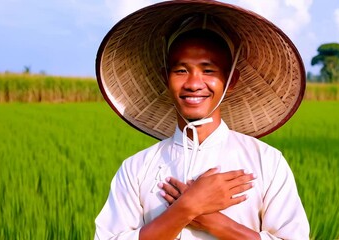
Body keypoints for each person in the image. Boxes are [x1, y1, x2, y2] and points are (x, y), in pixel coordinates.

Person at [95, 1, 309, 239]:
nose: (194, 84)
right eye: (181, 71)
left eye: (208, 71)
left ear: (231, 81)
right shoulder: (136, 168)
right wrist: (187, 208)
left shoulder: (266, 162)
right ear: (166, 77)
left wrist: (213, 222)